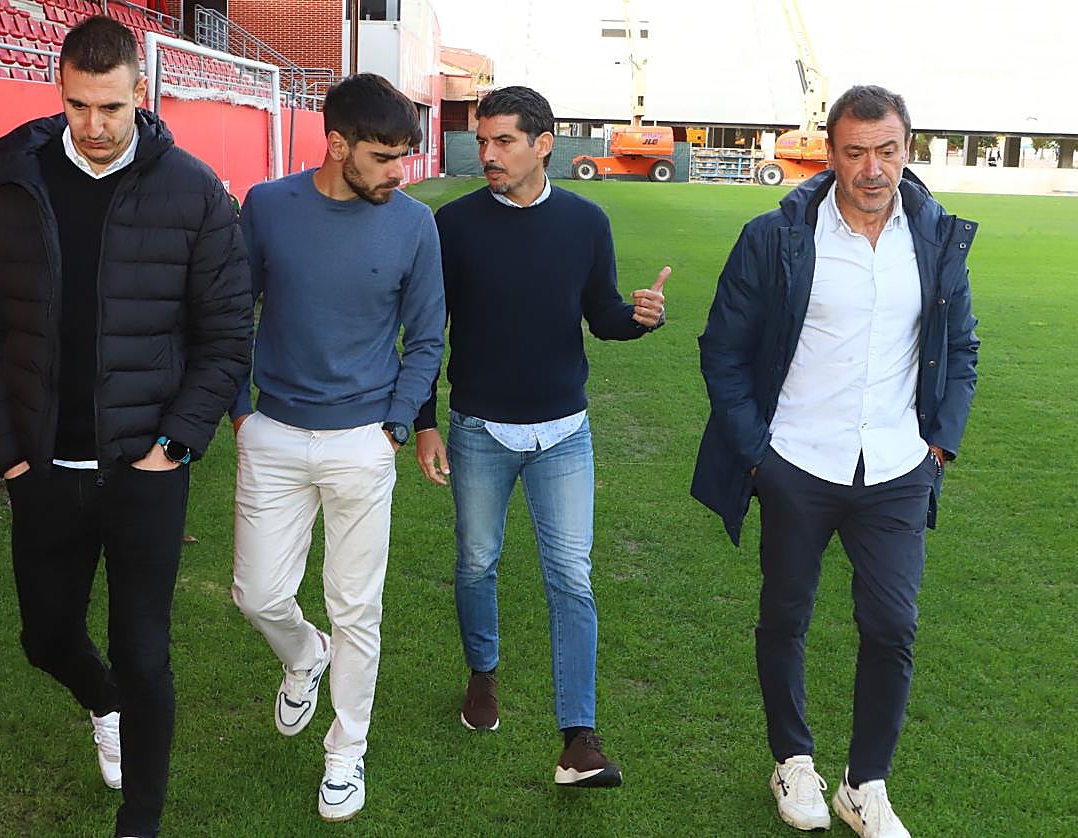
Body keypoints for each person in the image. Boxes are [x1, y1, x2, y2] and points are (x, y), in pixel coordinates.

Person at [0, 15, 252, 838]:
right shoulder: (12, 185)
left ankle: (141, 818)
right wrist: (7, 458)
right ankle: (102, 703)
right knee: (45, 637)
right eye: (79, 105)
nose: (93, 125)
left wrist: (175, 444)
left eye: (111, 108)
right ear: (60, 92)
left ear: (140, 96)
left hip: (145, 470)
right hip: (42, 471)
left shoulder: (193, 190)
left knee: (144, 651)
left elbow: (227, 336)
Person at [692, 85, 979, 838]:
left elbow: (964, 350)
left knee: (892, 626)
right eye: (855, 152)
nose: (872, 169)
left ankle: (864, 782)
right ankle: (792, 759)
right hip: (797, 462)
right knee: (784, 615)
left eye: (887, 151)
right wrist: (759, 454)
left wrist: (938, 444)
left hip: (895, 467)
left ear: (907, 150)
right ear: (831, 154)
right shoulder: (778, 236)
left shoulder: (937, 236)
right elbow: (722, 350)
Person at [413, 85, 669, 789]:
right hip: (478, 431)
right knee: (476, 564)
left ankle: (578, 740)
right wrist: (426, 422)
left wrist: (640, 317)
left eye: (502, 142)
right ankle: (483, 677)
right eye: (483, 140)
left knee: (571, 580)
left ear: (543, 143)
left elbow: (602, 315)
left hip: (565, 434)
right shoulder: (453, 224)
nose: (487, 154)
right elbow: (425, 332)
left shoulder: (586, 222)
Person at [230, 73, 445, 823]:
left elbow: (427, 339)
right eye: (385, 157)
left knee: (357, 607)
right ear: (337, 144)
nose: (399, 172)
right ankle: (302, 656)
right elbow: (229, 312)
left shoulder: (415, 224)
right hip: (275, 433)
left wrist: (392, 425)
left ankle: (345, 753)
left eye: (404, 157)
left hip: (363, 440)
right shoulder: (266, 207)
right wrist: (238, 413)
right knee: (256, 594)